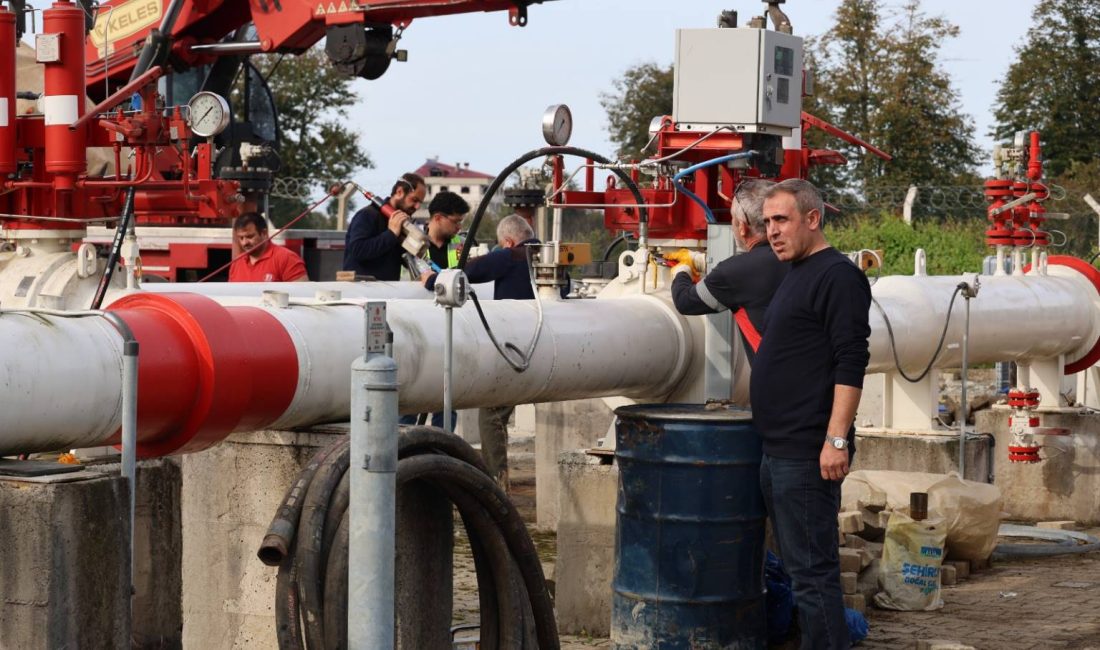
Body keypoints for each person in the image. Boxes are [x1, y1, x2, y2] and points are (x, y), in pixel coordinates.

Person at [752, 178, 871, 650]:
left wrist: (835, 439)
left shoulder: (837, 276)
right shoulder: (796, 272)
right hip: (778, 449)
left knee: (812, 574)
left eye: (780, 220)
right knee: (800, 571)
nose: (772, 232)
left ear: (813, 219)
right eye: (766, 223)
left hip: (807, 452)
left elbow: (851, 359)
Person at [421, 215, 539, 488]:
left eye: (502, 245)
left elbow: (468, 272)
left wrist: (431, 280)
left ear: (508, 241)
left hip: (515, 348)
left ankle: (495, 483)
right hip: (544, 343)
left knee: (492, 414)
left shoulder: (513, 255)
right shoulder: (545, 255)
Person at [667, 179, 788, 361]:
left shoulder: (734, 273)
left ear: (742, 227)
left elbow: (685, 301)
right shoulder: (802, 256)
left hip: (778, 382)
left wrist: (681, 272)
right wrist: (704, 263)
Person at [342, 172, 426, 280]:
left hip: (388, 292)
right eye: (414, 200)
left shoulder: (402, 224)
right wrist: (391, 235)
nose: (417, 206)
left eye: (420, 203)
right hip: (362, 291)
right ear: (399, 192)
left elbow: (406, 261)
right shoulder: (367, 215)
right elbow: (357, 250)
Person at [228, 212, 308, 282]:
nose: (244, 242)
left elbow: (302, 294)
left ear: (264, 233)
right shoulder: (237, 263)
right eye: (241, 238)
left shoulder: (287, 258)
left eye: (250, 236)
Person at [423, 191, 470, 270]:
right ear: (438, 218)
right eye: (455, 222)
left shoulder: (464, 245)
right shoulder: (412, 245)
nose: (459, 227)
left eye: (460, 222)